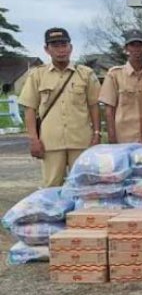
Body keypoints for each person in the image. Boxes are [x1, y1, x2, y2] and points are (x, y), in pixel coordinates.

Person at [19, 28, 101, 187]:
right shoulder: (37, 75)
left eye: (64, 45)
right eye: (55, 46)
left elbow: (94, 106)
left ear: (71, 47)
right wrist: (33, 140)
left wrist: (97, 134)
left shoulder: (85, 74)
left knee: (85, 186)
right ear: (46, 49)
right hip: (50, 143)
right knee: (52, 187)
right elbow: (29, 109)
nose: (61, 50)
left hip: (81, 141)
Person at [99, 30, 142, 143]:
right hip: (124, 137)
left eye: (140, 45)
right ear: (126, 49)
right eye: (132, 45)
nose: (136, 49)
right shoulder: (114, 74)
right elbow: (109, 110)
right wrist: (112, 137)